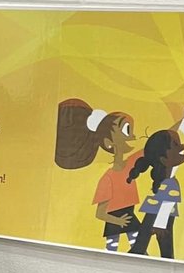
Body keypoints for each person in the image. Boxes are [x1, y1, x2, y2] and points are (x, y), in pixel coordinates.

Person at [54, 99, 138, 251]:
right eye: (127, 130)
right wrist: (118, 221)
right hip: (116, 222)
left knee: (140, 249)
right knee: (111, 252)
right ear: (108, 143)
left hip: (129, 218)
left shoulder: (131, 165)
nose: (133, 137)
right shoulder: (108, 179)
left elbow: (158, 144)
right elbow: (100, 213)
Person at [127, 129, 184, 258]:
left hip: (159, 210)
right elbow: (167, 200)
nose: (182, 146)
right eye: (176, 145)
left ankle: (153, 256)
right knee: (155, 241)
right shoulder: (170, 181)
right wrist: (160, 224)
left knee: (149, 240)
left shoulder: (169, 176)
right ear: (163, 159)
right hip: (160, 212)